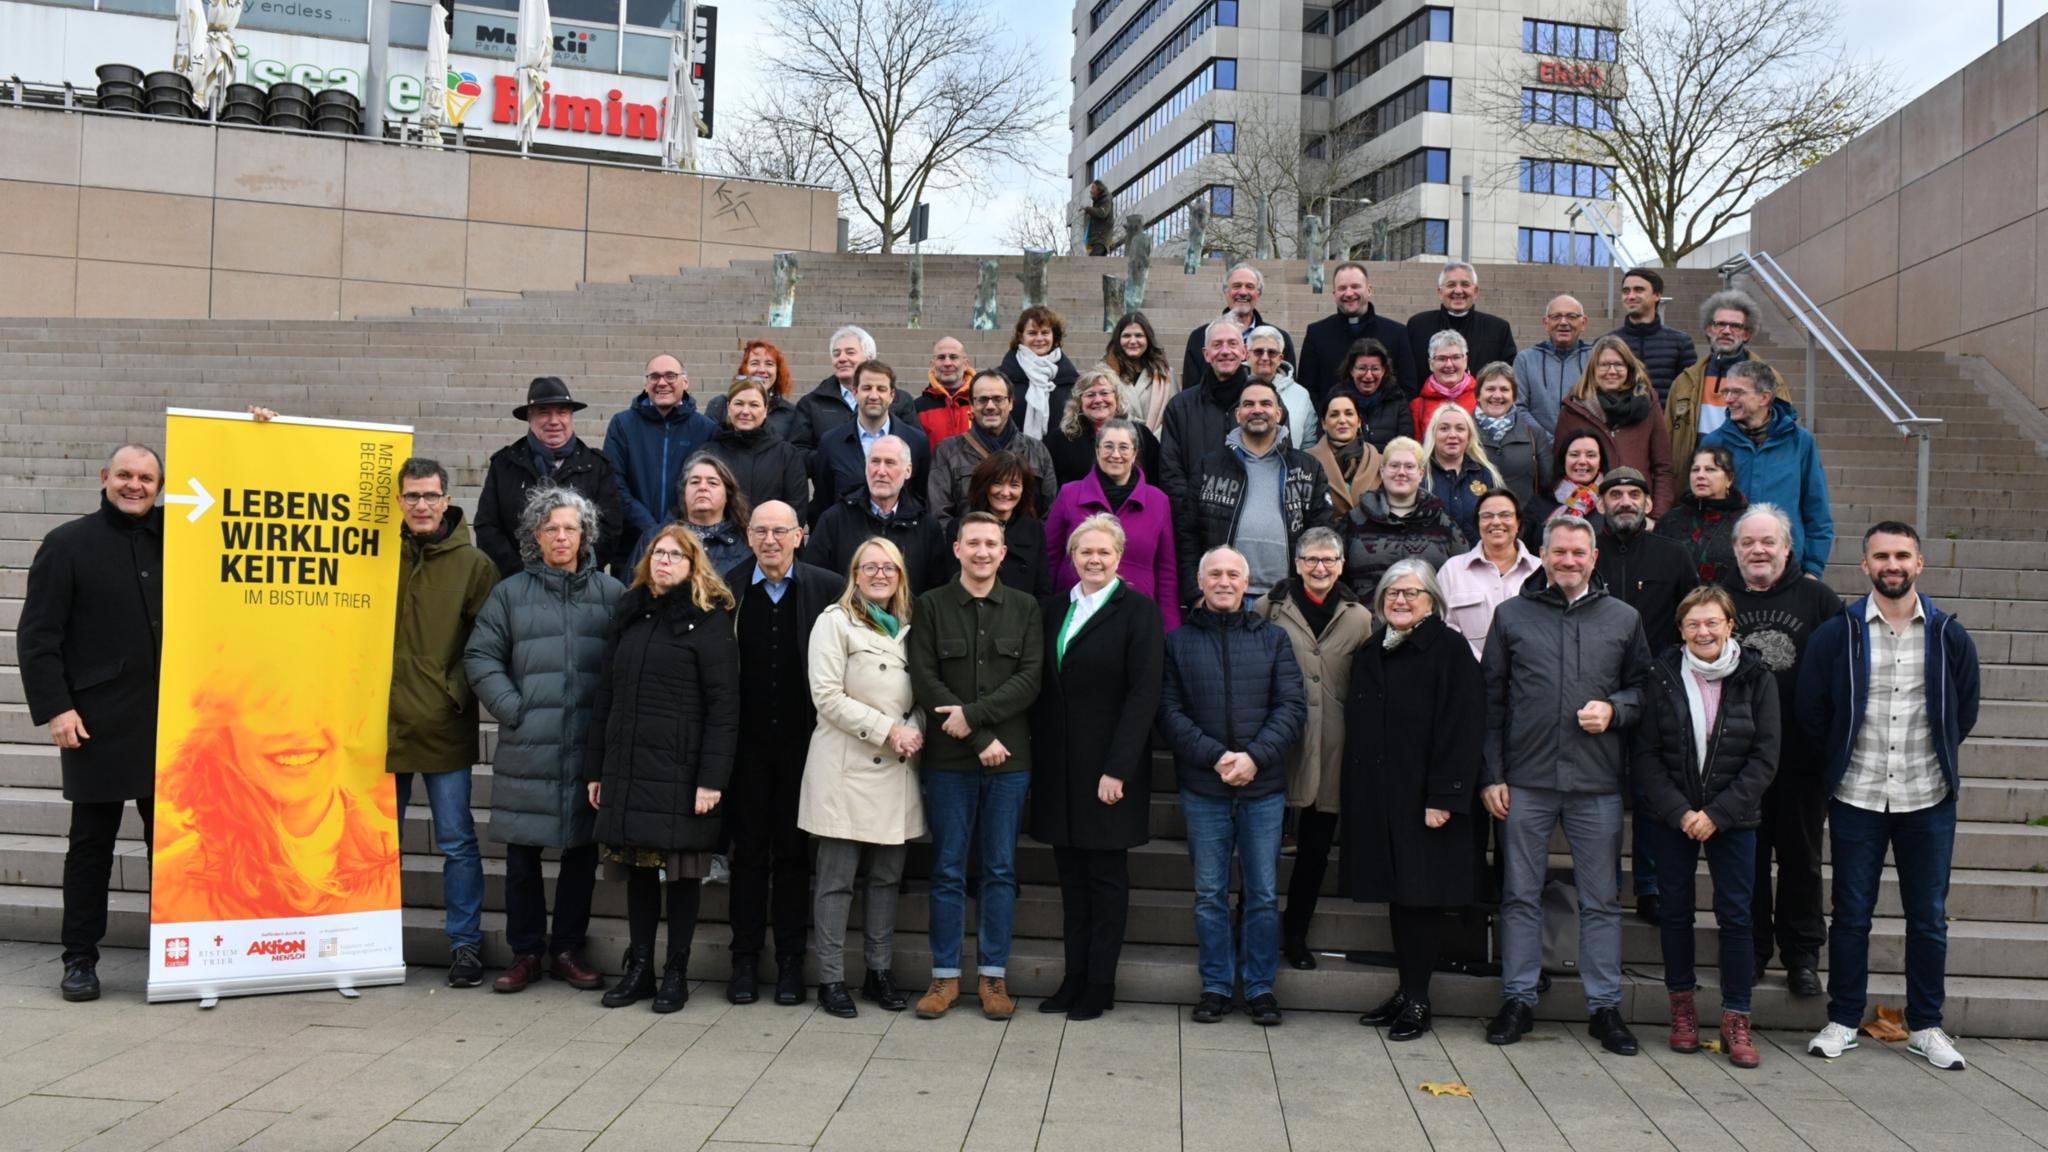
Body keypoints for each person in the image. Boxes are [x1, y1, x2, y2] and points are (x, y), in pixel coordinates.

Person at [1801, 523, 1980, 1071]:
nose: (1892, 564)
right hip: (1857, 795)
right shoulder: (1840, 632)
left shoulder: (1949, 633)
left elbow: (1963, 710)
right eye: (1881, 556)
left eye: (1902, 555)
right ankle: (1843, 1019)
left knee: (1927, 917)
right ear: (1866, 567)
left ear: (1920, 563)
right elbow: (1812, 710)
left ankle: (1926, 1025)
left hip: (1927, 797)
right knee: (1851, 915)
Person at [1480, 514, 1653, 1054]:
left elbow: (1645, 690)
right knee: (1519, 895)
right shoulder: (1511, 616)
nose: (1569, 561)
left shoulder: (1623, 618)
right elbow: (1490, 702)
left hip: (1597, 782)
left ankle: (1604, 1008)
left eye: (1579, 552)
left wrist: (1617, 708)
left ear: (1594, 558)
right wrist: (1492, 775)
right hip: (1526, 780)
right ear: (1544, 555)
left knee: (1601, 900)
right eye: (1560, 552)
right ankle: (1518, 999)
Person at [464, 486, 625, 994]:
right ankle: (527, 952)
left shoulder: (611, 595)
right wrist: (514, 709)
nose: (561, 536)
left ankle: (567, 950)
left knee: (580, 856)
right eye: (551, 528)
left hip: (585, 749)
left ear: (585, 535)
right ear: (536, 536)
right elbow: (480, 658)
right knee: (522, 857)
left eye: (570, 528)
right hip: (528, 747)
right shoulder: (510, 593)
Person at [20, 444, 163, 1001]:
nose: (135, 485)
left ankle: (176, 956)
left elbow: (237, 496)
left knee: (172, 850)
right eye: (125, 475)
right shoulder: (67, 544)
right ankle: (79, 959)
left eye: (146, 477)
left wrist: (260, 434)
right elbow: (38, 637)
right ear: (105, 477)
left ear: (159, 484)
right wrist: (56, 707)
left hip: (171, 722)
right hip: (94, 721)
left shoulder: (179, 537)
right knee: (91, 847)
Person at [585, 525, 740, 1013]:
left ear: (695, 566)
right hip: (629, 769)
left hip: (683, 772)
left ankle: (676, 971)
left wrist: (712, 780)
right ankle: (640, 971)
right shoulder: (630, 613)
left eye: (676, 555)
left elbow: (724, 706)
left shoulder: (709, 620)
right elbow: (605, 695)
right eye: (658, 553)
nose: (664, 561)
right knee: (636, 872)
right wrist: (597, 771)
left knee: (682, 878)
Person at [1632, 584, 1780, 1067]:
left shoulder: (1757, 676)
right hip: (1671, 816)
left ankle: (1737, 1018)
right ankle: (1683, 1012)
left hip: (1734, 819)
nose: (1703, 631)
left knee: (1736, 917)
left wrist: (1717, 814)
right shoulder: (1662, 675)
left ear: (1730, 625)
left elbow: (1764, 758)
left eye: (1712, 621)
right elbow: (1646, 755)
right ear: (1681, 629)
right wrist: (1681, 812)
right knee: (1674, 912)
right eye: (1693, 623)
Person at [1159, 546, 1307, 1026]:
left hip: (1262, 788)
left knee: (1263, 892)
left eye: (1233, 575)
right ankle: (1217, 985)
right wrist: (1217, 756)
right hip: (1204, 785)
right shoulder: (1177, 643)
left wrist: (1253, 758)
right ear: (1201, 583)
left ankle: (1261, 987)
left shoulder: (1274, 639)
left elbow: (1291, 708)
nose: (1224, 582)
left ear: (1248, 584)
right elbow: (1169, 712)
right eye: (1215, 574)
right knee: (1208, 892)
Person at [907, 512, 1046, 1022]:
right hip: (948, 764)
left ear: (1003, 553)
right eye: (974, 543)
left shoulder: (1027, 608)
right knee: (945, 869)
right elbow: (924, 679)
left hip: (1009, 764)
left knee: (1000, 869)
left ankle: (993, 977)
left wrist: (976, 721)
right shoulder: (931, 605)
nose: (983, 551)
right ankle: (943, 978)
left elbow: (1030, 679)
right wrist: (977, 734)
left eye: (992, 544)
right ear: (957, 550)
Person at [1345, 559, 1487, 1041]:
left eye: (1412, 594)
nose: (1400, 601)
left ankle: (1420, 1000)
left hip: (1429, 801)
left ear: (1433, 601)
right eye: (1392, 594)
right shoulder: (1373, 649)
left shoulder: (1448, 648)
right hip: (1384, 798)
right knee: (1401, 899)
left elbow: (1462, 725)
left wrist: (1444, 796)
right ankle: (1406, 991)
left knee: (1423, 900)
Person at [1032, 515, 1166, 1019]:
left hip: (1110, 772)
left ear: (1119, 556)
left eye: (1104, 553)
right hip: (1061, 771)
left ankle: (1100, 984)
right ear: (1072, 557)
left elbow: (1143, 696)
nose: (1094, 560)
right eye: (1085, 552)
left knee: (1106, 882)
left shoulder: (1138, 612)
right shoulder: (1052, 612)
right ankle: (1074, 978)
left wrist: (1118, 769)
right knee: (1071, 880)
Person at [722, 501, 846, 1008]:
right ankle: (745, 962)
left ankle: (792, 963)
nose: (771, 540)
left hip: (806, 744)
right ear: (748, 537)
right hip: (745, 747)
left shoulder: (827, 586)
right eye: (761, 531)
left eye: (781, 531)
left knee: (795, 856)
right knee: (747, 854)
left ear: (801, 534)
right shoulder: (727, 588)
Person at [798, 539, 927, 1018]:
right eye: (868, 566)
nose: (879, 574)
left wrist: (914, 729)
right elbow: (826, 696)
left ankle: (879, 971)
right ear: (854, 573)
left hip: (897, 766)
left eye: (888, 566)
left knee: (886, 878)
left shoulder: (913, 628)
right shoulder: (834, 621)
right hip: (846, 767)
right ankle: (831, 978)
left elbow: (926, 693)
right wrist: (887, 729)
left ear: (899, 574)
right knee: (836, 880)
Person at [389, 457, 500, 988]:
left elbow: (486, 643)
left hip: (441, 722)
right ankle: (373, 939)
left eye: (430, 496)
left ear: (448, 500)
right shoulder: (375, 556)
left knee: (456, 840)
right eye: (411, 496)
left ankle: (464, 945)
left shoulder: (473, 565)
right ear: (399, 502)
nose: (421, 506)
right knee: (376, 842)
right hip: (380, 727)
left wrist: (451, 692)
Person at [1723, 503, 1841, 999]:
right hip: (1736, 763)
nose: (1758, 550)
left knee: (1801, 861)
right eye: (1748, 542)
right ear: (1735, 550)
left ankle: (1802, 957)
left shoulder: (1819, 601)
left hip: (1799, 763)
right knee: (1745, 864)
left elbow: (1842, 679)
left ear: (1787, 548)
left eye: (1768, 542)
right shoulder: (1719, 600)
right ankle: (1750, 951)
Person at [1254, 529, 1373, 972]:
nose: (1319, 568)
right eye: (1310, 560)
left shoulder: (1360, 618)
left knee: (1314, 852)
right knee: (1260, 848)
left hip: (1334, 749)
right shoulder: (1270, 608)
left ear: (1342, 564)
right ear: (1297, 563)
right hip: (1278, 745)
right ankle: (1251, 932)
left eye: (1329, 560)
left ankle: (1296, 935)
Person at [1176, 380, 1333, 604]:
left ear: (1278, 413)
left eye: (1265, 404)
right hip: (1225, 596)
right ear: (1238, 415)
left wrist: (1310, 593)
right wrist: (1195, 595)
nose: (1257, 410)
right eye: (1249, 404)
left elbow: (1321, 535)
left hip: (1288, 597)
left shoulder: (1308, 468)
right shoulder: (1208, 467)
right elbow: (1187, 535)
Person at [475, 376, 626, 577]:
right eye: (543, 413)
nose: (554, 421)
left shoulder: (597, 466)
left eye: (562, 412)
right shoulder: (504, 464)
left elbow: (610, 527)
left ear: (571, 417)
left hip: (580, 583)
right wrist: (521, 573)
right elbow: (487, 527)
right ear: (530, 418)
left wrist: (576, 568)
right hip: (517, 583)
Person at [1045, 418, 1180, 630]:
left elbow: (1166, 571)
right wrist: (1046, 614)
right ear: (1097, 451)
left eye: (1124, 447)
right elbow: (1049, 560)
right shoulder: (1069, 494)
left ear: (1134, 453)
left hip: (1136, 617)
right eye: (1108, 446)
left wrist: (1170, 630)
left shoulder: (1158, 501)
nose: (1115, 454)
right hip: (1077, 613)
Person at [1703, 359, 1833, 578]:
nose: (1728, 400)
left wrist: (1813, 568)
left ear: (1764, 397)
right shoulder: (1714, 443)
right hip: (1729, 567)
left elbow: (1816, 509)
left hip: (1787, 566)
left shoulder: (1800, 442)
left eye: (1737, 392)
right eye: (1726, 392)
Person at [802, 435, 953, 596]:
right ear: (866, 467)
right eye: (875, 462)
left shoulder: (926, 527)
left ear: (908, 471)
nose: (881, 471)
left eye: (890, 463)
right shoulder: (834, 520)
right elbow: (814, 583)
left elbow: (936, 590)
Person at [606, 353, 716, 554]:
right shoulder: (622, 424)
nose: (662, 383)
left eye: (670, 376)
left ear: (685, 382)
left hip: (687, 543)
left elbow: (706, 486)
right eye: (654, 377)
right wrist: (650, 528)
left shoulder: (705, 429)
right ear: (646, 385)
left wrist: (672, 527)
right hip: (633, 543)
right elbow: (614, 483)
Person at [1553, 336, 1675, 518]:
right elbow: (1559, 468)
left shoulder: (1648, 403)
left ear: (1629, 368)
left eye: (1619, 364)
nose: (1611, 371)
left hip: (1636, 512)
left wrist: (1657, 517)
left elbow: (1663, 467)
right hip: (1588, 514)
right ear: (1593, 369)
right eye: (1604, 365)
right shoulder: (1574, 408)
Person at [1340, 437, 1466, 600]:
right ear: (1382, 471)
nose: (1401, 472)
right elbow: (1335, 573)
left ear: (1421, 473)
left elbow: (1462, 576)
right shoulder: (1354, 520)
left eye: (1409, 466)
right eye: (1394, 466)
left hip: (1428, 620)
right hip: (1368, 619)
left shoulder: (1443, 524)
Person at [809, 359, 932, 524]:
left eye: (881, 389)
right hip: (846, 537)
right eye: (866, 388)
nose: (874, 396)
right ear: (854, 392)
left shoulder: (916, 441)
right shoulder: (831, 442)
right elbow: (824, 501)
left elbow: (921, 497)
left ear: (892, 395)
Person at [928, 371, 1058, 523]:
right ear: (971, 404)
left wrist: (1031, 544)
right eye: (982, 400)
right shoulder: (947, 451)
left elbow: (1050, 514)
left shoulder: (1037, 451)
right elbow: (939, 516)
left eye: (998, 399)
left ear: (1010, 403)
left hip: (1026, 545)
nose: (990, 406)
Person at [1593, 468, 1694, 658]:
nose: (1625, 503)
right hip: (1598, 672)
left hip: (1659, 674)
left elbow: (1693, 615)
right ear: (1600, 505)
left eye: (1634, 495)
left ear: (1647, 504)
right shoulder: (1584, 555)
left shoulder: (1674, 554)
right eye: (1615, 495)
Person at [1670, 290, 1775, 466]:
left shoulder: (1769, 379)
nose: (1726, 331)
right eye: (1720, 324)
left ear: (1746, 334)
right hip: (1696, 481)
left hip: (1746, 478)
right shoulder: (1685, 381)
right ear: (1708, 329)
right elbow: (1669, 435)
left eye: (1735, 326)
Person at [1438, 488, 1541, 661]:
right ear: (1478, 523)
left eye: (1505, 515)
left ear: (1518, 523)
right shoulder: (1453, 570)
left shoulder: (1541, 570)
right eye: (1487, 516)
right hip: (1468, 674)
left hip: (1528, 677)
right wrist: (1479, 663)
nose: (1496, 522)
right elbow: (1441, 626)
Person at [1297, 261, 1418, 403]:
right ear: (1334, 294)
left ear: (1369, 290)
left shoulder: (1397, 333)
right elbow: (1307, 390)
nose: (1348, 293)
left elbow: (1408, 389)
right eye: (1342, 288)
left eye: (1355, 286)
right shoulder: (1316, 333)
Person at [1159, 318, 1253, 500]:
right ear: (1206, 354)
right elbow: (1171, 472)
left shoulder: (1266, 404)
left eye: (1232, 344)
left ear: (1244, 351)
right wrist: (1189, 516)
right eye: (1217, 345)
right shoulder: (1180, 408)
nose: (1225, 351)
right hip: (1197, 519)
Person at [791, 325, 919, 451]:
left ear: (870, 358)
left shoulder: (900, 401)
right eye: (836, 354)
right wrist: (832, 461)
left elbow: (915, 445)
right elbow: (798, 450)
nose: (841, 358)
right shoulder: (811, 403)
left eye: (850, 352)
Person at [1180, 263, 1295, 392]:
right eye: (1237, 286)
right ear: (1226, 291)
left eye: (1249, 287)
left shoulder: (1279, 339)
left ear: (1259, 293)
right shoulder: (1199, 337)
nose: (1243, 292)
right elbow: (1191, 392)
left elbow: (1288, 388)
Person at [1043, 367, 1162, 488]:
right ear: (1079, 402)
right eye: (1090, 395)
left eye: (1104, 393)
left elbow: (1155, 480)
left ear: (1116, 397)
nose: (1098, 400)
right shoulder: (1060, 439)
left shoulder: (1141, 434)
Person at [703, 376, 808, 513]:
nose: (745, 411)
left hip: (769, 533)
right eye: (739, 403)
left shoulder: (787, 455)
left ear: (765, 410)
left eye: (754, 405)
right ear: (729, 408)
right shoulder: (709, 453)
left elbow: (796, 505)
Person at [636, 453, 750, 575]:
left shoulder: (745, 542)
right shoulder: (653, 538)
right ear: (684, 492)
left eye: (712, 483)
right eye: (695, 482)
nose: (702, 487)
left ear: (728, 494)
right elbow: (634, 588)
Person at [1655, 444, 1747, 587]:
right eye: (1695, 470)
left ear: (1729, 478)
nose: (1700, 475)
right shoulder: (1670, 521)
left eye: (1710, 469)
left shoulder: (1747, 522)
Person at [965, 452, 1053, 597]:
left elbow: (1042, 590)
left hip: (1021, 617)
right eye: (998, 483)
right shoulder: (962, 527)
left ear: (1023, 489)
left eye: (1014, 485)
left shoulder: (1034, 530)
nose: (1005, 492)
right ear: (985, 485)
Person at [1406, 260, 1516, 372]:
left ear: (1476, 291)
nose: (1458, 291)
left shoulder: (1498, 329)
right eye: (1451, 285)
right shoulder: (1418, 326)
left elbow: (1508, 376)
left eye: (1465, 284)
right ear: (1440, 292)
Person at [1607, 268, 1696, 404]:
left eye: (1639, 290)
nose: (1630, 296)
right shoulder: (1606, 343)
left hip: (1664, 423)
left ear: (1657, 295)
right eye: (1626, 291)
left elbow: (1689, 392)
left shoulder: (1681, 343)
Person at [1471, 363, 1551, 507]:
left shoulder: (1535, 434)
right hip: (1473, 521)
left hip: (1523, 523)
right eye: (1490, 389)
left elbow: (1547, 485)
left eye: (1504, 389)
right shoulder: (1463, 433)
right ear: (1477, 394)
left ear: (1513, 396)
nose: (1497, 395)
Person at [1421, 404, 1503, 544]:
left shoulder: (1486, 475)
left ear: (1469, 436)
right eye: (1444, 428)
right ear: (1433, 434)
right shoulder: (1419, 475)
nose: (1452, 435)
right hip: (1433, 562)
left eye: (1460, 428)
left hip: (1477, 561)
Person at [1511, 295, 1591, 433]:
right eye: (1556, 317)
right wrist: (1547, 441)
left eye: (1571, 316)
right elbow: (1518, 407)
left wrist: (1577, 444)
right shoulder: (1525, 360)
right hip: (1538, 449)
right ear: (1545, 323)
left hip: (1582, 448)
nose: (1563, 322)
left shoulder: (1595, 359)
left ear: (1583, 323)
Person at [1000, 305, 1080, 439]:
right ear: (1021, 337)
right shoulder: (1001, 378)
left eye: (1045, 332)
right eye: (1032, 333)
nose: (1039, 338)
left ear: (1054, 336)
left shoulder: (1072, 381)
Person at [1307, 388, 1384, 519]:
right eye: (1334, 414)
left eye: (1349, 413)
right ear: (1324, 424)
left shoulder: (1381, 462)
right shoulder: (1307, 461)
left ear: (1359, 422)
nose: (1342, 420)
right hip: (1325, 537)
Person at [1523, 428, 1606, 550]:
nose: (1582, 461)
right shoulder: (1540, 502)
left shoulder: (1610, 504)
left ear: (1600, 462)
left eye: (1591, 455)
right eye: (1574, 455)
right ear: (1563, 460)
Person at [704, 339, 800, 443]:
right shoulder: (719, 405)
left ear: (778, 371)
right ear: (744, 369)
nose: (762, 370)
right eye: (755, 363)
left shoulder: (790, 413)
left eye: (769, 364)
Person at [1329, 338, 1413, 451]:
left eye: (1375, 369)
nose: (1368, 375)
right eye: (1362, 368)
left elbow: (1406, 447)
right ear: (1351, 370)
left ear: (1384, 371)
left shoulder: (1397, 399)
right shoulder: (1335, 399)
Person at [1104, 310, 1178, 431]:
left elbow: (1173, 415)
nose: (1133, 341)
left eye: (1139, 335)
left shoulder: (1166, 375)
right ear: (1118, 339)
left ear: (1148, 339)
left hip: (1156, 444)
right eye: (1127, 335)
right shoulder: (1104, 374)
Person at [1247, 325, 1316, 449]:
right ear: (1247, 356)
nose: (1265, 357)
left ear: (1280, 359)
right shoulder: (1235, 390)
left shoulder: (1300, 395)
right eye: (1258, 352)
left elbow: (1309, 443)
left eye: (1272, 352)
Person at [1411, 330, 1479, 434]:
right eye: (1441, 359)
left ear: (1465, 361)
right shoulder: (1418, 406)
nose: (1449, 365)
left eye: (1456, 357)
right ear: (1431, 364)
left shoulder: (1482, 399)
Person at [915, 336, 978, 446]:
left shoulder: (981, 401)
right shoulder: (918, 407)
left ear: (966, 364)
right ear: (932, 365)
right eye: (941, 357)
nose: (947, 363)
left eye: (954, 357)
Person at [1081, 179, 1114, 255]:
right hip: (1097, 240)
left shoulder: (1106, 199)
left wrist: (1088, 209)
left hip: (1101, 240)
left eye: (1093, 188)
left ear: (1099, 189)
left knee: (1092, 262)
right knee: (1095, 263)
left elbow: (1102, 213)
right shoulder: (1098, 202)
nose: (1090, 190)